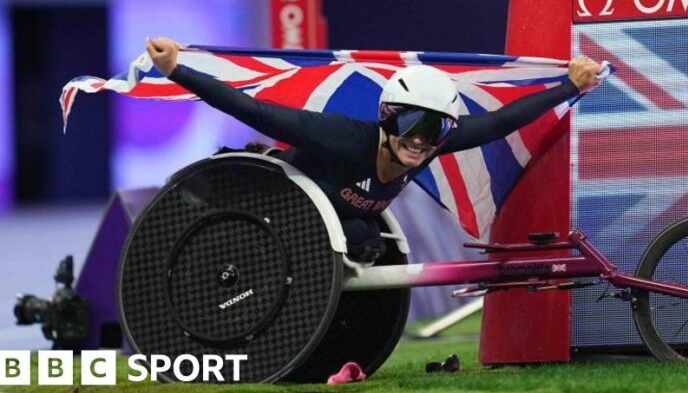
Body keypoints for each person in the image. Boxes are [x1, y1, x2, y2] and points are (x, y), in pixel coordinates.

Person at [145, 37, 603, 262]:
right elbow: (257, 112)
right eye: (409, 123)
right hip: (271, 207)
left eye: (435, 128)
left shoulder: (433, 142)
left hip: (333, 220)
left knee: (370, 244)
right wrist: (176, 69)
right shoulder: (340, 136)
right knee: (359, 238)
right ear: (385, 119)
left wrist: (569, 85)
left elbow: (503, 121)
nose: (419, 140)